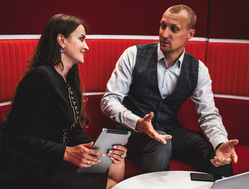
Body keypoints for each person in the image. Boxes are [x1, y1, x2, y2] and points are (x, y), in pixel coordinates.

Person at [0, 14, 127, 189]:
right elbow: (14, 138)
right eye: (81, 38)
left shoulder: (67, 79)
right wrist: (66, 152)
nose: (86, 46)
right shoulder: (40, 78)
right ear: (61, 40)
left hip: (51, 162)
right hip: (26, 172)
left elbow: (71, 128)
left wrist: (99, 147)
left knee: (117, 165)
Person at [101, 4, 238, 177]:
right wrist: (137, 122)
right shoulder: (133, 54)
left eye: (174, 29)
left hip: (169, 131)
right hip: (133, 133)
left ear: (190, 34)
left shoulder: (198, 69)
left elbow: (208, 115)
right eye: (163, 26)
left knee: (212, 148)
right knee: (160, 143)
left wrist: (220, 143)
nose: (164, 34)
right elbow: (109, 101)